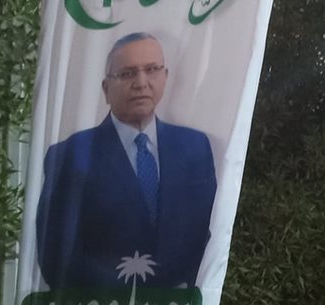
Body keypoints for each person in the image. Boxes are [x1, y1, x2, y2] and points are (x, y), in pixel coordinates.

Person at [36, 32, 217, 290]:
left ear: (165, 77)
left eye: (151, 70)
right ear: (106, 88)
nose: (141, 83)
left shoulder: (194, 148)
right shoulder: (70, 155)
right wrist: (130, 295)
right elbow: (55, 255)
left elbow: (208, 232)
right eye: (127, 73)